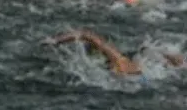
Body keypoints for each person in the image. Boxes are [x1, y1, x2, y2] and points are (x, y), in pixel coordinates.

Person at [45, 29, 184, 76]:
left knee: (150, 53)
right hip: (145, 69)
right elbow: (87, 36)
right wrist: (56, 41)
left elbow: (88, 35)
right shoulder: (120, 63)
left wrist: (56, 41)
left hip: (145, 66)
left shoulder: (118, 61)